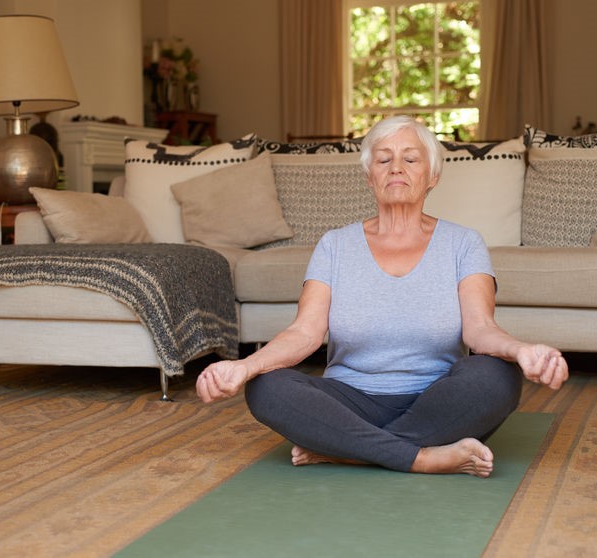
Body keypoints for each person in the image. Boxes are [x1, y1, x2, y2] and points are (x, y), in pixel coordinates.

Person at [196, 116, 568, 478]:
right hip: (350, 402)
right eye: (383, 158)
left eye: (410, 158)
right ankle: (423, 457)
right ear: (368, 175)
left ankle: (347, 452)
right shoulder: (335, 245)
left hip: (436, 400)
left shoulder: (463, 243)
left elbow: (480, 329)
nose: (396, 168)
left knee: (498, 374)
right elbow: (303, 334)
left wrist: (521, 351)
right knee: (266, 386)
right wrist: (245, 366)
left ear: (432, 176)